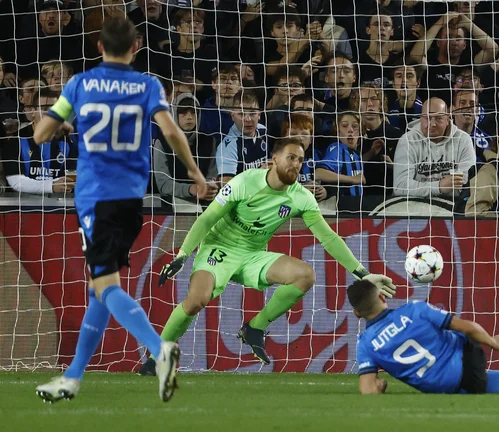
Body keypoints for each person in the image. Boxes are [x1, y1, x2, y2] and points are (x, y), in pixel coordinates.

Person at [32, 17, 207, 404]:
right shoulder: (147, 85)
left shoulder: (80, 85)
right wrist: (194, 172)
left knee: (105, 287)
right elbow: (172, 131)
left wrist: (61, 126)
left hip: (96, 199)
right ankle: (73, 378)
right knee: (99, 289)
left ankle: (160, 349)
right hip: (132, 200)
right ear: (136, 47)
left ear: (98, 46)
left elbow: (40, 134)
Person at [137, 138, 396, 374]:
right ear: (274, 159)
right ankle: (156, 357)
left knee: (305, 276)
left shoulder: (301, 197)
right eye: (291, 158)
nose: (297, 164)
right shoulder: (244, 181)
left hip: (252, 255)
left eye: (301, 160)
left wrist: (363, 274)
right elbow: (207, 218)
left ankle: (255, 327)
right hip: (219, 248)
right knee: (196, 300)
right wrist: (183, 254)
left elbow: (328, 237)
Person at [347, 279, 499, 394]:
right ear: (383, 297)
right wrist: (492, 341)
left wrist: (380, 386)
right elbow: (465, 326)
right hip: (468, 358)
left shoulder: (364, 344)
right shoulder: (414, 310)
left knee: (472, 387)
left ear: (357, 313)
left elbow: (368, 390)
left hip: (439, 385)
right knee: (473, 380)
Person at [393, 98, 476, 199]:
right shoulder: (408, 140)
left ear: (448, 119)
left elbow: (465, 185)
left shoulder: (463, 140)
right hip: (412, 206)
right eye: (427, 118)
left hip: (452, 206)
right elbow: (400, 187)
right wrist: (439, 186)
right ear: (420, 118)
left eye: (438, 118)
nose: (432, 124)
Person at [2, 88, 76, 195]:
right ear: (32, 111)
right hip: (23, 204)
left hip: (59, 204)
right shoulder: (15, 140)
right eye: (45, 108)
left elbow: (71, 177)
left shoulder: (67, 141)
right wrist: (50, 186)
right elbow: (16, 182)